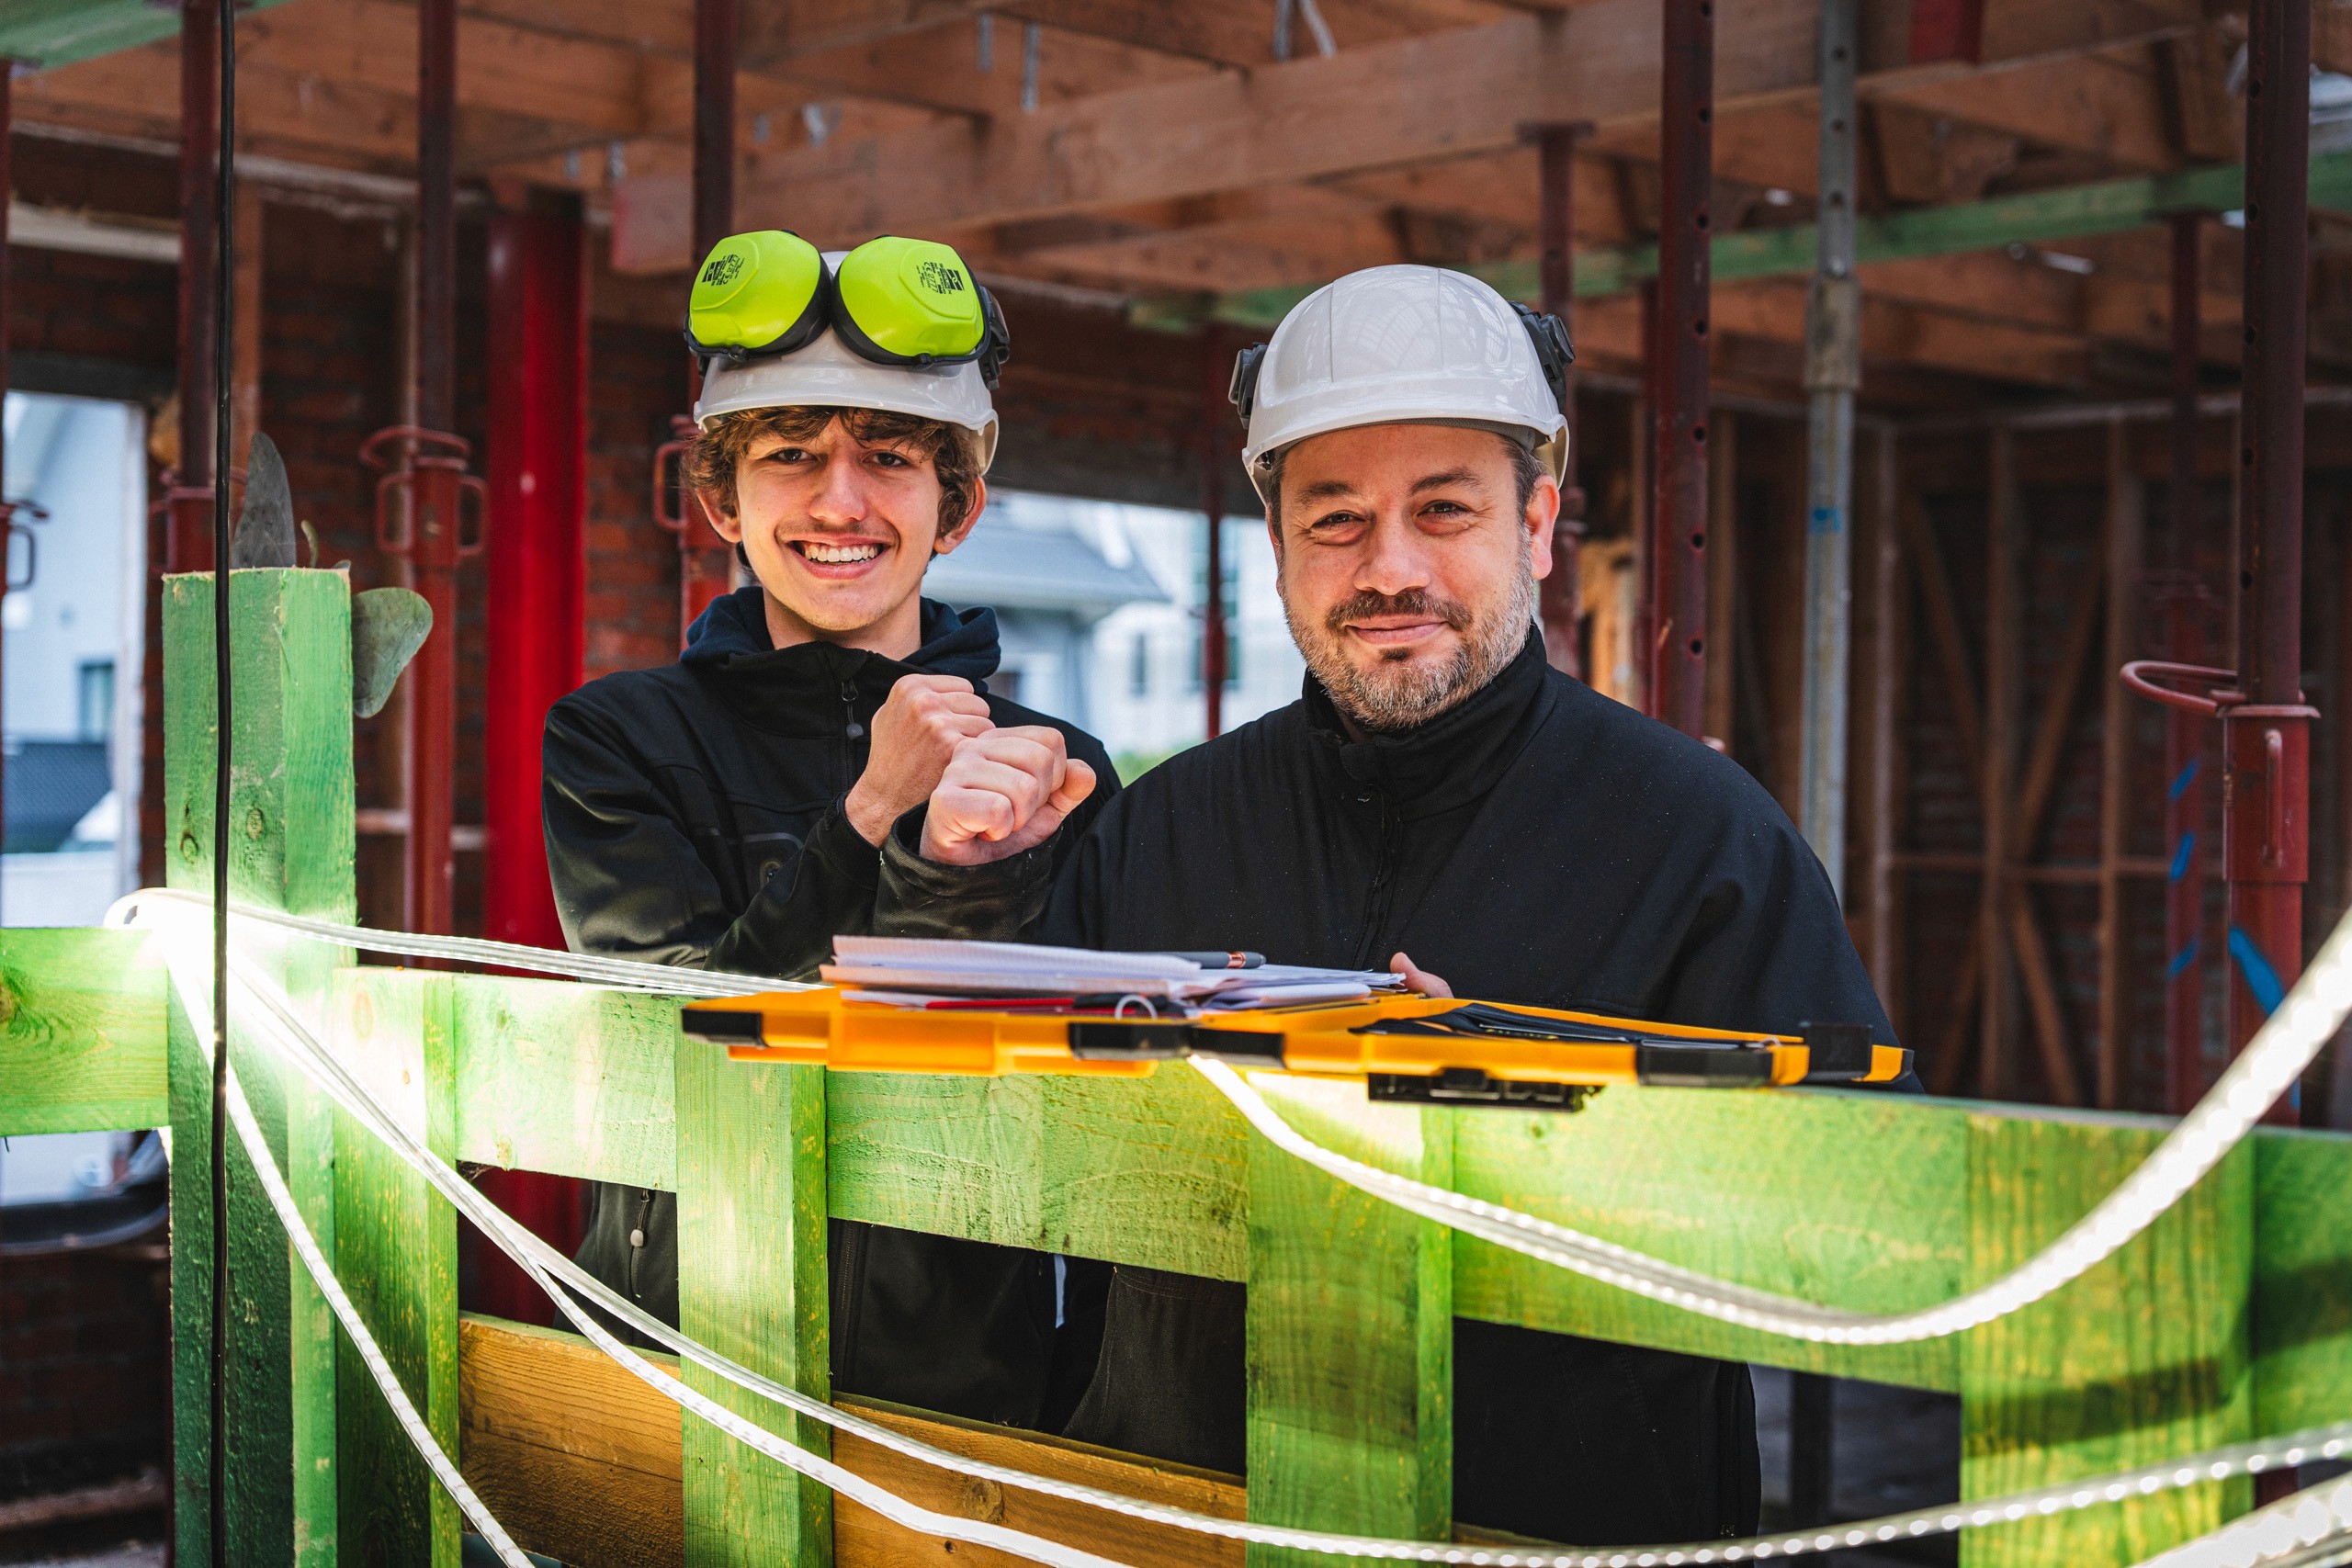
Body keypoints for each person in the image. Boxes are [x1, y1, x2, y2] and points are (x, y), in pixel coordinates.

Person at [871, 265, 1905, 1543]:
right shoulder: (1163, 819)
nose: (1389, 567)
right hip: (1187, 1516)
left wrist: (1511, 1087)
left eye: (1445, 509)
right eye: (1338, 519)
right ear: (1283, 547)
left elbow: (1859, 1213)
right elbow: (959, 1131)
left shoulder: (1696, 835)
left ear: (1536, 524)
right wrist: (959, 886)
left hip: (1545, 1528)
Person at [540, 230, 1115, 1430]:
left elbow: (1092, 1101)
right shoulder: (620, 741)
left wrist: (1070, 1386)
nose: (839, 501)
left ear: (955, 506)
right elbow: (678, 1047)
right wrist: (872, 812)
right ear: (721, 499)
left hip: (960, 1393)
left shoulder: (1054, 771)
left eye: (892, 459)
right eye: (791, 456)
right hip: (684, 1367)